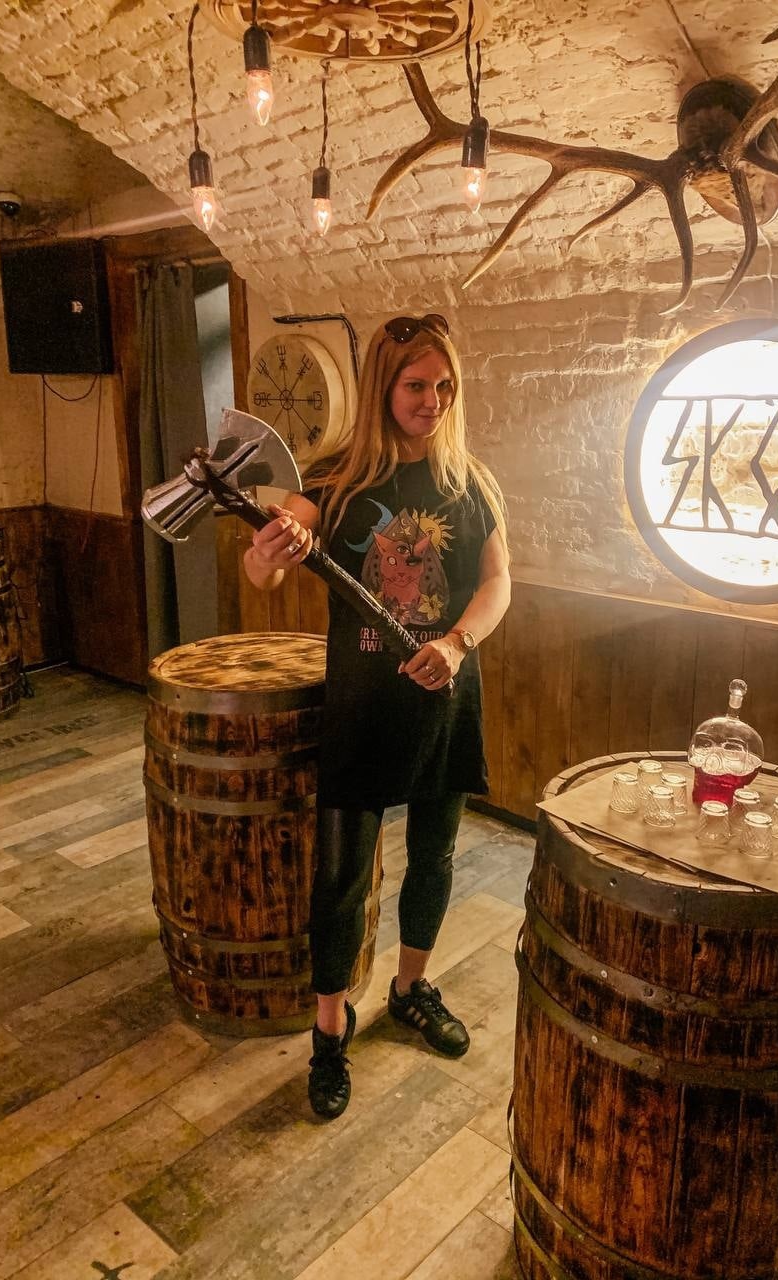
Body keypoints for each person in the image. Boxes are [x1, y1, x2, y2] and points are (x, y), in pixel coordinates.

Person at [243, 313, 510, 1119]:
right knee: (340, 877)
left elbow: (497, 583)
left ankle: (410, 988)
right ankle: (330, 1029)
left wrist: (457, 644)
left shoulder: (470, 482)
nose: (433, 400)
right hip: (361, 706)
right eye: (415, 385)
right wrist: (269, 548)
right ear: (382, 389)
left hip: (444, 694)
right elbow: (262, 570)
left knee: (434, 858)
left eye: (444, 385)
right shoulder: (335, 480)